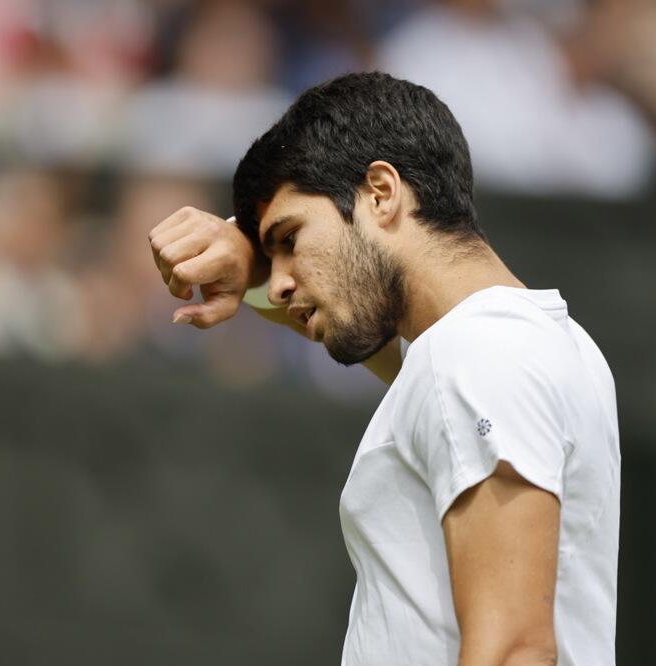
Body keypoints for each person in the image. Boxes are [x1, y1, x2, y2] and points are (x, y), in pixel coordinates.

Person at [148, 72, 620, 666]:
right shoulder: (519, 344)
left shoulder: (481, 353)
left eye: (291, 238)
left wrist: (255, 251)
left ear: (380, 191)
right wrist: (253, 259)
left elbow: (514, 651)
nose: (284, 278)